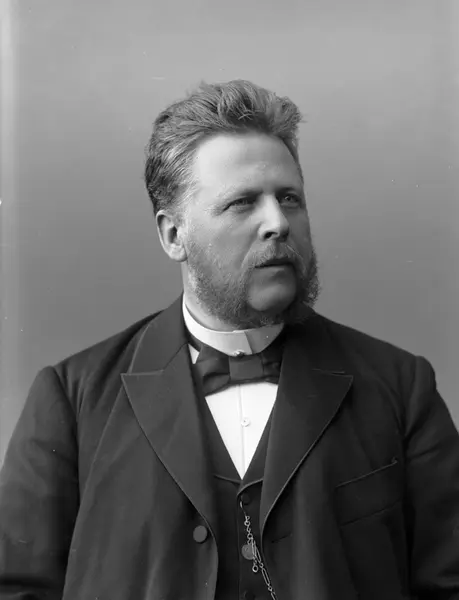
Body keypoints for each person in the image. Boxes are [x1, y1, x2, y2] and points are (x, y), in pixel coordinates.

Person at [1, 80, 458, 600]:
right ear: (173, 235)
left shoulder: (400, 388)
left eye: (289, 198)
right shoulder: (73, 400)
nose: (277, 223)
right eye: (242, 203)